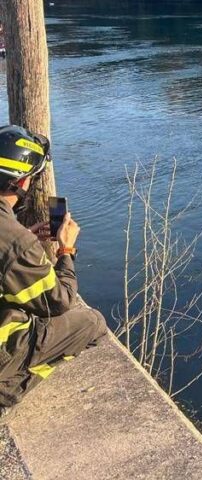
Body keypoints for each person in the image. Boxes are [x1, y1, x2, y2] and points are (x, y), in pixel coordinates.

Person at [0, 125, 106, 412]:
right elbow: (57, 302)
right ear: (22, 182)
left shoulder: (15, 237)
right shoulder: (15, 241)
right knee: (92, 323)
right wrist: (67, 251)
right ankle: (7, 389)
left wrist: (25, 240)